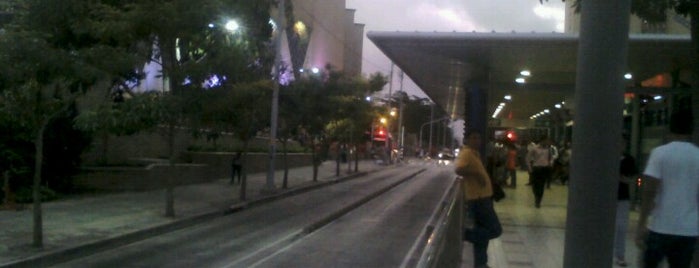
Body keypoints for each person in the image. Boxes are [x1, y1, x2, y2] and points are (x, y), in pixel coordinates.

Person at [636, 111, 699, 268]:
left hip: (660, 225)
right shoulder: (697, 155)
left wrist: (642, 222)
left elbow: (649, 190)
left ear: (669, 129)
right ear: (692, 131)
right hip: (688, 229)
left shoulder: (659, 153)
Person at [455, 131, 502, 268]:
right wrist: (476, 174)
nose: (477, 140)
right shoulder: (467, 153)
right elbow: (458, 169)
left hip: (482, 198)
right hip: (478, 200)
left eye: (479, 137)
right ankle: (462, 234)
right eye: (473, 138)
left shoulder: (474, 153)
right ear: (467, 140)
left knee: (482, 233)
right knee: (495, 230)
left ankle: (481, 263)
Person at [614, 137, 638, 267]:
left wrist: (619, 177)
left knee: (621, 227)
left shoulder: (629, 160)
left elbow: (632, 179)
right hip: (607, 199)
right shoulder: (607, 158)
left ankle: (620, 255)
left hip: (622, 197)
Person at [527, 136, 554, 208]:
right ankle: (536, 196)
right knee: (535, 186)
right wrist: (530, 168)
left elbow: (551, 158)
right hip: (536, 168)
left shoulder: (548, 149)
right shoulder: (534, 148)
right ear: (542, 140)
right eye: (546, 140)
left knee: (541, 186)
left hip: (544, 168)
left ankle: (538, 201)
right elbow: (528, 159)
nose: (547, 142)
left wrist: (550, 163)